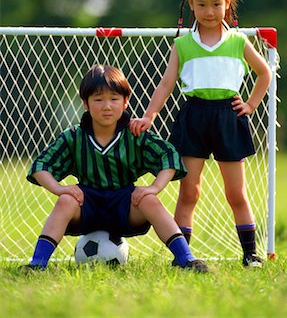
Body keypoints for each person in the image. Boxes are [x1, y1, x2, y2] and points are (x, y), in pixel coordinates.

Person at [130, 0, 272, 268]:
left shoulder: (238, 41)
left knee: (236, 193)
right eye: (203, 5)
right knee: (189, 192)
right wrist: (150, 115)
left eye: (216, 4)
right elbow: (167, 84)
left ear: (227, 3)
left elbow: (265, 73)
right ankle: (185, 256)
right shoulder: (183, 45)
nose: (210, 12)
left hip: (228, 118)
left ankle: (251, 254)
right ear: (191, 5)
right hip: (192, 117)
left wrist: (249, 104)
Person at [20, 64, 208, 273]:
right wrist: (60, 189)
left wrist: (154, 188)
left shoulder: (133, 134)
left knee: (149, 200)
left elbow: (169, 156)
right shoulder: (74, 136)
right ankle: (37, 264)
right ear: (85, 104)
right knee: (65, 201)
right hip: (87, 204)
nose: (107, 106)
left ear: (125, 102)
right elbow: (40, 166)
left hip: (125, 205)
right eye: (98, 99)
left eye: (114, 99)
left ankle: (187, 260)